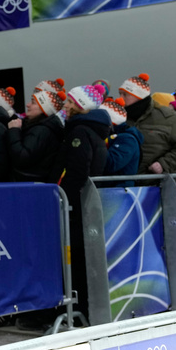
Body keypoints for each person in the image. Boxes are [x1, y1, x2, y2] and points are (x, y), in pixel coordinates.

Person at [52, 84, 110, 322]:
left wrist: (63, 198)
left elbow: (77, 172)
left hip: (75, 208)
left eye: (69, 103)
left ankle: (78, 313)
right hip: (84, 206)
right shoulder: (92, 131)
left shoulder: (79, 133)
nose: (64, 106)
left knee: (74, 261)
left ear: (79, 107)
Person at [119, 74, 176, 174]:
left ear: (139, 96)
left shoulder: (167, 117)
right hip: (119, 183)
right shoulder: (118, 117)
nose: (121, 98)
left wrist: (164, 164)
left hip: (153, 184)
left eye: (125, 94)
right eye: (120, 94)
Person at [6, 90, 65, 182]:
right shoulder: (39, 126)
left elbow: (22, 158)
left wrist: (14, 131)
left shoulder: (41, 130)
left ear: (44, 109)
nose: (28, 105)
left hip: (28, 183)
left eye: (33, 103)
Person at [102, 98, 143, 176]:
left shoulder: (128, 139)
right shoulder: (109, 134)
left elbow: (112, 164)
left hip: (117, 187)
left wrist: (96, 144)